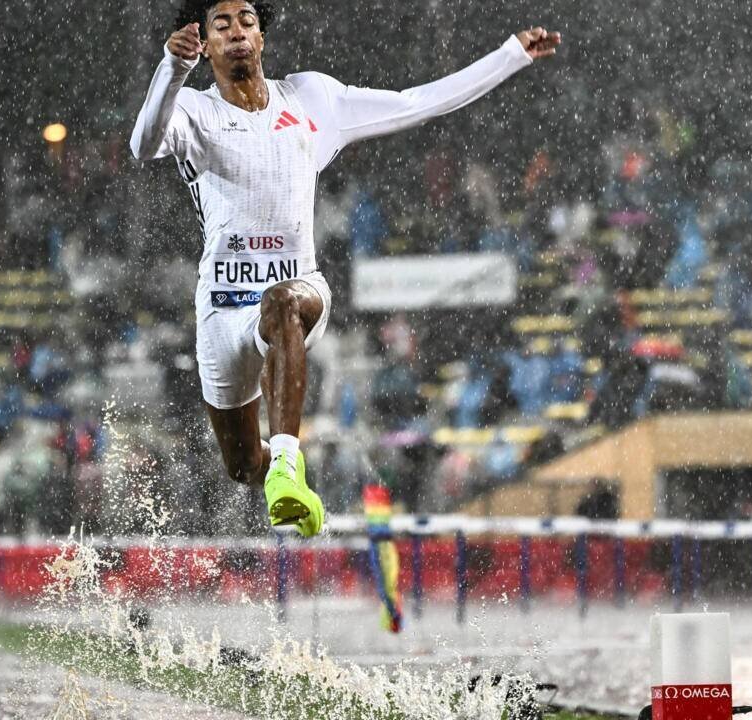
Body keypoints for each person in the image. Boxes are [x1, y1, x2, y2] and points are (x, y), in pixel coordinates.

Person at [131, 0, 561, 536]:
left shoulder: (312, 99)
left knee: (283, 302)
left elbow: (417, 103)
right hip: (220, 310)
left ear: (262, 37)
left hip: (298, 287)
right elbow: (144, 143)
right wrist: (171, 70)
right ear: (205, 44)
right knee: (241, 466)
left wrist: (509, 56)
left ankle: (288, 461)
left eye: (247, 21)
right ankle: (283, 481)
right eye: (222, 25)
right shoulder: (195, 110)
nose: (237, 31)